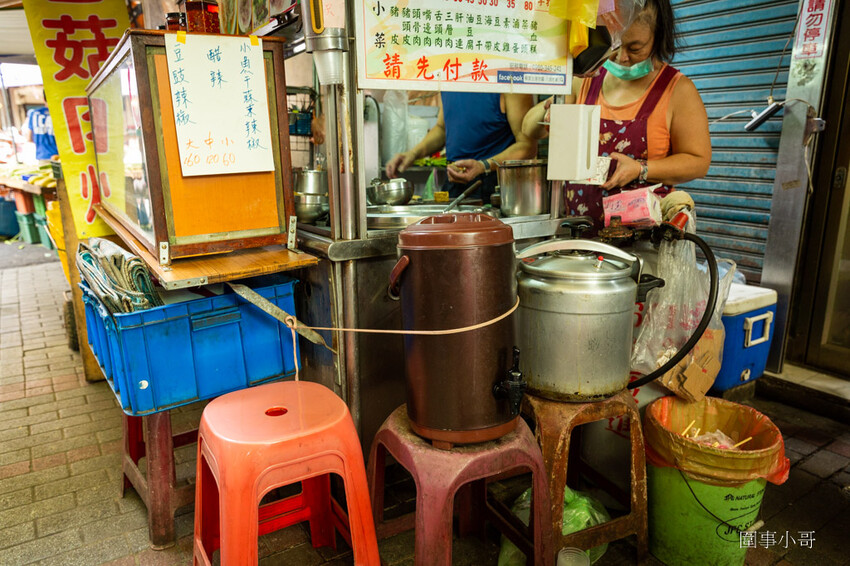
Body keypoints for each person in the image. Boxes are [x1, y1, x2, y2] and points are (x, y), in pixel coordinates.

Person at [523, 0, 710, 235]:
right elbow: (529, 130)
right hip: (578, 236)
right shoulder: (585, 79)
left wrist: (641, 169)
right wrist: (549, 110)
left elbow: (698, 161)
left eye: (634, 48)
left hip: (643, 242)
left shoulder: (677, 90)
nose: (621, 57)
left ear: (658, 36)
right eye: (614, 45)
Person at [386, 92, 536, 204]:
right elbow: (442, 128)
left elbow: (527, 146)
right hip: (454, 182)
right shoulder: (453, 76)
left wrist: (483, 166)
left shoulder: (507, 79)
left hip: (495, 185)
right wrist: (413, 153)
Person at [24, 94, 58, 163]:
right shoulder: (58, 113)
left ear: (43, 99)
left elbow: (29, 138)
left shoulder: (34, 114)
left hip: (42, 156)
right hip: (59, 156)